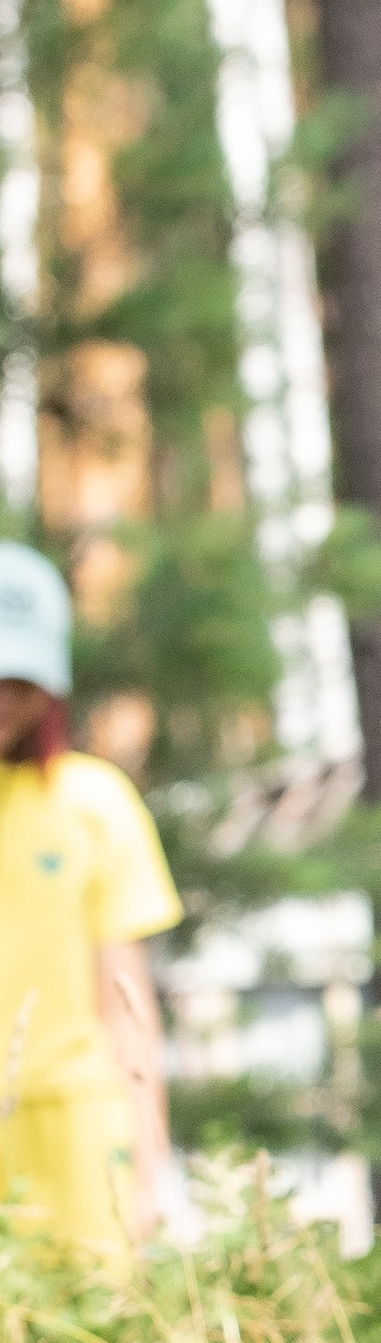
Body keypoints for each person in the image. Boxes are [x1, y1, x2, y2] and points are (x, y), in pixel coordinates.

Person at [0, 539, 181, 1268]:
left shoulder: (94, 803)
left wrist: (149, 1164)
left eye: (20, 678)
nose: (3, 696)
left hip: (79, 1122)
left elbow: (126, 997)